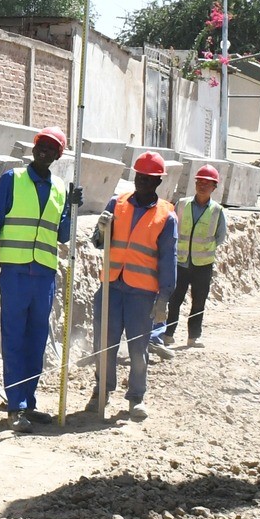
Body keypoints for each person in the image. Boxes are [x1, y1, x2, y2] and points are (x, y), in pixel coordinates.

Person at [0, 128, 78, 427]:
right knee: (15, 339)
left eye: (51, 148)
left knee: (36, 340)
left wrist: (72, 207)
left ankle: (28, 402)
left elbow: (62, 234)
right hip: (16, 273)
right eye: (41, 146)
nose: (44, 151)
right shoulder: (12, 179)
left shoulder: (59, 188)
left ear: (58, 156)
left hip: (44, 276)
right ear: (34, 150)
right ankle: (15, 406)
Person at [88, 152, 177, 420]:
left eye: (149, 179)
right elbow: (98, 242)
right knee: (104, 344)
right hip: (112, 287)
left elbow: (168, 259)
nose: (142, 183)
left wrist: (164, 297)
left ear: (158, 182)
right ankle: (102, 390)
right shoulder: (118, 204)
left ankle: (136, 397)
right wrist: (101, 230)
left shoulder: (166, 216)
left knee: (138, 348)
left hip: (142, 293)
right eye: (139, 177)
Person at [160, 163, 229, 350]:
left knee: (199, 301)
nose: (202, 186)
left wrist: (204, 249)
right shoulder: (182, 204)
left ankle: (193, 337)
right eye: (199, 182)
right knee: (175, 299)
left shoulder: (217, 210)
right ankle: (168, 334)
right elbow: (172, 228)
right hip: (181, 262)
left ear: (214, 187)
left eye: (207, 183)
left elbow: (220, 236)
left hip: (203, 264)